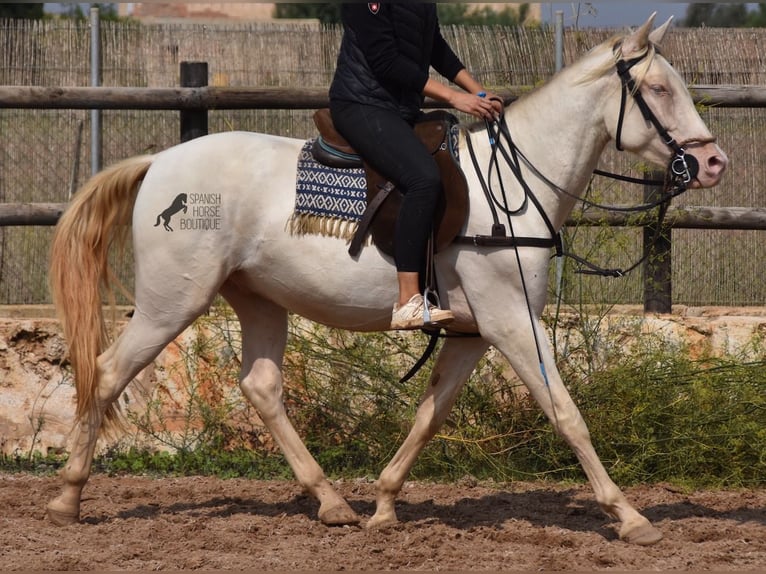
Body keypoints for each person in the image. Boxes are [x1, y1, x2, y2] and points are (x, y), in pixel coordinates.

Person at [329, 2, 503, 330]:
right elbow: (386, 61)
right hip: (362, 104)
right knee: (423, 178)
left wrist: (478, 91)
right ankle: (408, 299)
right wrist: (453, 98)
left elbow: (435, 47)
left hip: (399, 109)